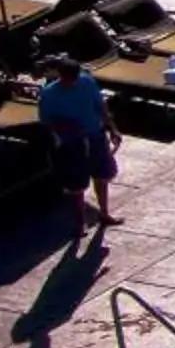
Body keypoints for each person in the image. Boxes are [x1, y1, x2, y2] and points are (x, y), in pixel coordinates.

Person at [36, 54, 119, 238]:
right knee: (77, 186)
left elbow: (100, 106)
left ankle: (104, 213)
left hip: (95, 135)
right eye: (68, 79)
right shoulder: (49, 94)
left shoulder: (87, 82)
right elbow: (46, 121)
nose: (72, 83)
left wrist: (112, 128)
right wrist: (64, 125)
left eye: (74, 79)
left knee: (102, 176)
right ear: (60, 75)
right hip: (71, 143)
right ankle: (80, 224)